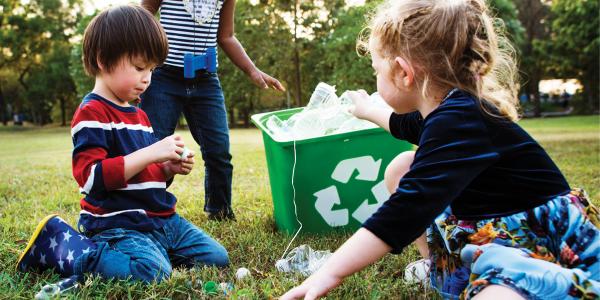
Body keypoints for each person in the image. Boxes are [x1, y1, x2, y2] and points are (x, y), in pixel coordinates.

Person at [281, 0, 600, 299]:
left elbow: (408, 208)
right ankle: (436, 267)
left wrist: (329, 272)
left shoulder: (460, 118)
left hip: (541, 243)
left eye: (377, 70)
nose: (376, 76)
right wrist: (367, 109)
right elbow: (403, 126)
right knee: (402, 166)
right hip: (495, 232)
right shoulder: (447, 112)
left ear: (404, 73)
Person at [17, 5, 229, 283]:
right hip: (119, 224)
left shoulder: (139, 115)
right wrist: (150, 152)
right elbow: (91, 178)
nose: (147, 78)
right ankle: (74, 250)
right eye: (140, 67)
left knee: (216, 258)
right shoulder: (92, 113)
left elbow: (142, 173)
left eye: (152, 70)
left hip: (160, 220)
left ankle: (153, 251)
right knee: (151, 274)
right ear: (104, 60)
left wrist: (166, 167)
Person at [139, 0, 285, 221]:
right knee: (154, 148)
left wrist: (253, 71)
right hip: (163, 76)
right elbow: (141, 17)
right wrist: (139, 66)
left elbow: (226, 36)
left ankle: (220, 211)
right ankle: (148, 209)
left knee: (218, 150)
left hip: (206, 80)